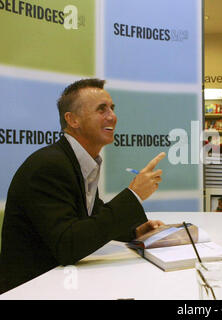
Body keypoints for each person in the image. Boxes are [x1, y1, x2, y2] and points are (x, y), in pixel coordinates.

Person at [0, 79, 166, 294]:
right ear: (73, 120)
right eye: (101, 109)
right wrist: (134, 194)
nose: (112, 116)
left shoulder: (76, 161)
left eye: (112, 108)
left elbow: (90, 216)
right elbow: (69, 245)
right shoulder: (49, 166)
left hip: (60, 283)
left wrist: (133, 231)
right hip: (31, 289)